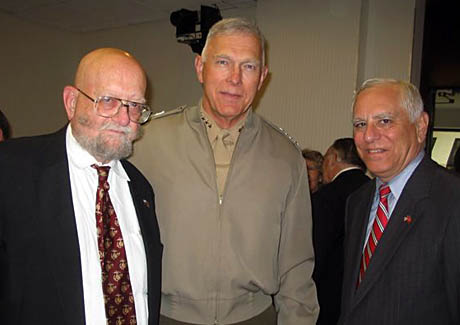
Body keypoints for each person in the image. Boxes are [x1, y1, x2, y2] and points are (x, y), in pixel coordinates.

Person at [131, 18, 318, 325]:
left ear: (262, 78)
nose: (234, 78)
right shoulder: (147, 143)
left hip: (254, 316)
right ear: (200, 68)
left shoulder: (285, 157)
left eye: (249, 67)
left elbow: (296, 268)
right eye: (223, 62)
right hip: (166, 316)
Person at [0, 48, 162, 325]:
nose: (124, 119)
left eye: (135, 106)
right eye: (108, 101)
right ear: (72, 101)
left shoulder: (140, 188)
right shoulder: (12, 170)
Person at [339, 78, 460, 324]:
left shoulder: (451, 200)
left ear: (420, 126)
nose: (369, 136)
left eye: (384, 121)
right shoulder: (358, 202)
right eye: (360, 124)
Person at [311, 138, 369, 325]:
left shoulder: (326, 197)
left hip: (328, 295)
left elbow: (316, 250)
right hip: (365, 293)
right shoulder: (376, 192)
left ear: (333, 157)